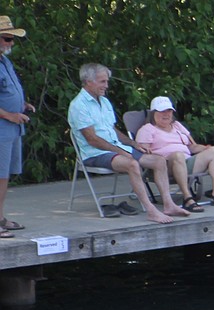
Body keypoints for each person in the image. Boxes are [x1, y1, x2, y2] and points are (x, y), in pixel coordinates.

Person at [67, 63, 189, 224]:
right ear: (88, 81)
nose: (106, 85)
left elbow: (112, 130)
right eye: (102, 81)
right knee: (132, 164)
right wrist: (120, 151)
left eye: (107, 81)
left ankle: (168, 205)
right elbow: (92, 139)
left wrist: (133, 143)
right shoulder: (78, 106)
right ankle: (151, 211)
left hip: (116, 149)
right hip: (95, 153)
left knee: (158, 160)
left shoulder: (104, 102)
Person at [134, 96, 214, 210]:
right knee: (177, 155)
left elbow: (191, 147)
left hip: (187, 162)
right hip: (165, 167)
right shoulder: (147, 129)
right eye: (162, 111)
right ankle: (187, 198)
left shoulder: (177, 126)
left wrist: (205, 148)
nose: (166, 114)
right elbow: (144, 154)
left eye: (169, 111)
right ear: (153, 113)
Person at [0, 15, 34, 238]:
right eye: (6, 38)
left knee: (5, 176)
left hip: (12, 130)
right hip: (3, 129)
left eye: (12, 39)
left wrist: (21, 104)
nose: (10, 43)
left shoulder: (5, 61)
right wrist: (10, 115)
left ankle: (0, 217)